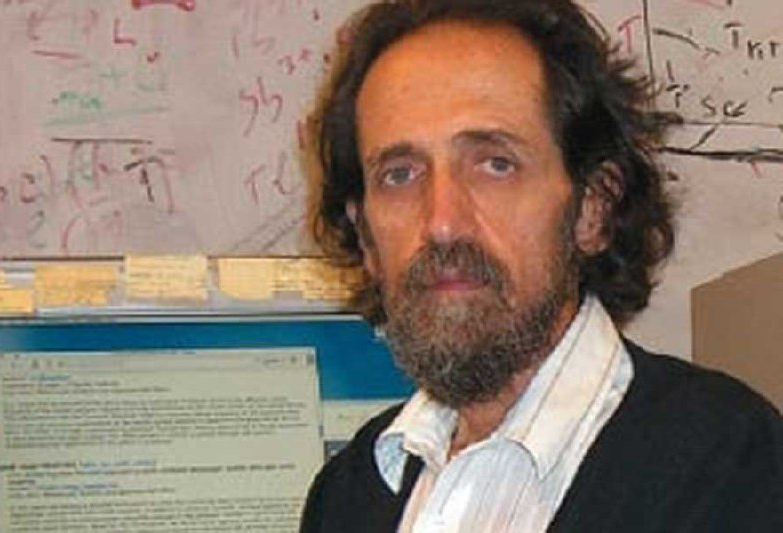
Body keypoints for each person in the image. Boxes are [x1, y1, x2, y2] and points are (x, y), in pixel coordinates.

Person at [300, 0, 783, 531]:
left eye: (495, 164)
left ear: (592, 207)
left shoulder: (732, 468)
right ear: (365, 235)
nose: (442, 223)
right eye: (399, 174)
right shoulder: (348, 493)